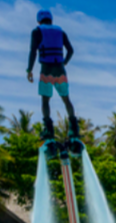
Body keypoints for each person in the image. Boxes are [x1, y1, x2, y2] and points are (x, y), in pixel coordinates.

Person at [26, 9, 81, 153]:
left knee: (45, 101)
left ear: (39, 20)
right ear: (51, 19)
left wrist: (29, 70)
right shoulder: (60, 32)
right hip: (60, 70)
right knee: (66, 100)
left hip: (46, 71)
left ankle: (48, 130)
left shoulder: (37, 31)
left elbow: (33, 51)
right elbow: (71, 50)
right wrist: (65, 62)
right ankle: (74, 129)